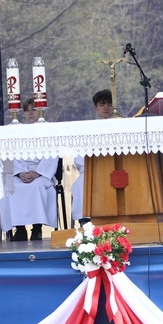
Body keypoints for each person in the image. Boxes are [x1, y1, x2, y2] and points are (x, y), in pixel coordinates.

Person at [0, 97, 59, 241]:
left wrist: (37, 172)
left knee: (36, 186)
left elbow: (53, 154)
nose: (31, 114)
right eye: (27, 111)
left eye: (34, 110)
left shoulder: (48, 131)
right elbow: (9, 155)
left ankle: (37, 228)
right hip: (21, 172)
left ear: (40, 111)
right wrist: (19, 172)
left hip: (40, 174)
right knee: (11, 187)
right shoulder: (16, 132)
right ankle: (19, 229)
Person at [71, 89, 113, 226]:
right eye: (102, 104)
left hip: (113, 169)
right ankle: (86, 220)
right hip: (92, 170)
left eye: (109, 104)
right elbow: (78, 158)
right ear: (95, 107)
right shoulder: (86, 130)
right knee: (80, 184)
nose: (106, 108)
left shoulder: (120, 127)